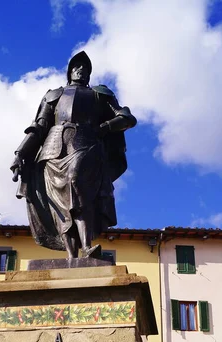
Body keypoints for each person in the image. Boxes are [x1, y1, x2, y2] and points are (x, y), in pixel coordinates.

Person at [10, 51, 137, 259]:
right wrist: (20, 153)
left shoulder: (100, 93)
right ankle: (71, 256)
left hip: (86, 144)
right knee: (59, 204)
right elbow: (39, 126)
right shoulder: (54, 95)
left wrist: (104, 127)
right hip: (52, 149)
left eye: (85, 69)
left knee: (75, 183)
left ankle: (86, 246)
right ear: (69, 71)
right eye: (77, 67)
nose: (81, 71)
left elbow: (126, 117)